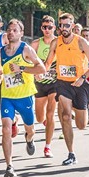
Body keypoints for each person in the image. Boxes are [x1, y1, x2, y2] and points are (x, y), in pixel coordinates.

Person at [45, 12, 89, 166]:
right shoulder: (56, 42)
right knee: (66, 116)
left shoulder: (81, 42)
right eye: (61, 25)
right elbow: (48, 61)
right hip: (63, 83)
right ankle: (71, 153)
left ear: (73, 26)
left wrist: (83, 77)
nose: (63, 28)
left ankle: (82, 110)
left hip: (80, 85)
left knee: (82, 125)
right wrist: (42, 71)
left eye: (67, 25)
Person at [0, 19, 46, 177]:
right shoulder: (1, 51)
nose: (11, 32)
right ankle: (9, 166)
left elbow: (41, 68)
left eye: (15, 30)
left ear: (21, 33)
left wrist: (21, 68)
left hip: (25, 97)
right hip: (8, 97)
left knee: (30, 129)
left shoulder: (26, 49)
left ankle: (30, 140)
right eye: (9, 30)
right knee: (5, 129)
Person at [31, 16, 58, 158]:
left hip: (55, 83)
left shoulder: (59, 43)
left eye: (49, 27)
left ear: (54, 28)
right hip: (40, 84)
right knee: (40, 116)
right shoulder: (36, 44)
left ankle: (47, 147)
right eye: (44, 27)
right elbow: (28, 60)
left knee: (50, 113)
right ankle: (48, 124)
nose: (47, 30)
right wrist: (35, 74)